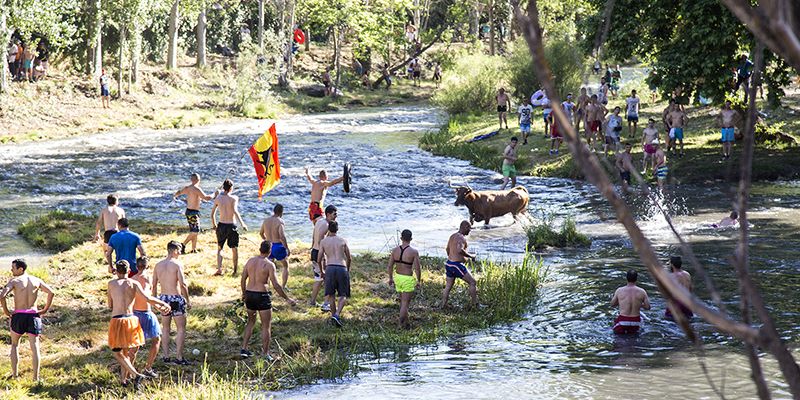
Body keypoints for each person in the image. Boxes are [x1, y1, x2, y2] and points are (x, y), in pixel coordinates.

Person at [107, 260, 170, 388]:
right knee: (126, 352)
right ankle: (123, 381)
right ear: (129, 271)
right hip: (131, 319)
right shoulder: (134, 283)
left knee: (117, 352)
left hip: (117, 319)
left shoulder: (111, 284)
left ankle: (136, 375)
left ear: (116, 271)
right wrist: (163, 303)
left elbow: (110, 305)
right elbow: (148, 298)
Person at [240, 241, 297, 360]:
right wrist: (287, 298)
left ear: (260, 249)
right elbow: (276, 285)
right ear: (270, 251)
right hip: (262, 295)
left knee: (250, 322)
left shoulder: (250, 261)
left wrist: (244, 293)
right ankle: (265, 353)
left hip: (250, 294)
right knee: (266, 326)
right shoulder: (269, 264)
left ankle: (244, 349)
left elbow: (243, 279)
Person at [1, 259, 55, 382]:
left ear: (21, 269)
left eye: (13, 268)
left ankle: (15, 376)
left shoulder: (14, 281)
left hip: (18, 316)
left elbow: (2, 295)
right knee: (35, 347)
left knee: (14, 345)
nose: (11, 270)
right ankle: (36, 378)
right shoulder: (36, 280)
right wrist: (45, 309)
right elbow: (51, 292)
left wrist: (6, 311)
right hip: (33, 315)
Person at [153, 241, 191, 365]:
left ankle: (166, 356)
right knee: (181, 328)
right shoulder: (177, 264)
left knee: (165, 328)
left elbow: (153, 285)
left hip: (163, 298)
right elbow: (183, 284)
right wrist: (187, 300)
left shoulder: (158, 265)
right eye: (179, 250)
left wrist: (155, 301)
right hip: (175, 298)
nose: (180, 253)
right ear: (174, 251)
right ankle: (179, 357)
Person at [317, 221, 353, 327]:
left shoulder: (323, 242)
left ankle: (334, 315)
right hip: (341, 267)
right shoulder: (342, 240)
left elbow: (319, 259)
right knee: (343, 294)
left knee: (331, 294)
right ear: (337, 229)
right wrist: (348, 269)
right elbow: (349, 258)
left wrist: (322, 271)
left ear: (329, 229)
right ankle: (336, 315)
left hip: (330, 267)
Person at [131, 257, 161, 378]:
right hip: (145, 313)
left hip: (134, 313)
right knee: (156, 339)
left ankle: (129, 373)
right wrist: (160, 305)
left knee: (134, 346)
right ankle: (148, 368)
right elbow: (147, 297)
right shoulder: (146, 278)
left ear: (136, 267)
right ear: (147, 266)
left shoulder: (132, 279)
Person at [211, 179, 248, 276]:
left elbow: (212, 214)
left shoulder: (218, 198)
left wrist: (214, 225)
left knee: (220, 248)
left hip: (221, 225)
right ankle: (235, 270)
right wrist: (242, 224)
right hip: (231, 225)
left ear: (223, 187)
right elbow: (235, 211)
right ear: (231, 188)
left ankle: (219, 269)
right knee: (234, 248)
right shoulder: (234, 198)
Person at [174, 173, 217, 253]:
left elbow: (178, 193)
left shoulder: (187, 188)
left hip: (189, 211)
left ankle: (194, 249)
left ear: (191, 180)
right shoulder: (197, 189)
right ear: (198, 180)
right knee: (195, 231)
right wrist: (215, 194)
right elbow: (207, 198)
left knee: (194, 231)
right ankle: (182, 245)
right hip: (193, 213)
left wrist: (177, 198)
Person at [387, 229, 421, 328]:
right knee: (405, 303)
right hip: (407, 279)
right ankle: (400, 324)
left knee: (403, 301)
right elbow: (417, 268)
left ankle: (406, 323)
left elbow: (389, 266)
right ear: (411, 239)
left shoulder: (394, 250)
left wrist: (390, 278)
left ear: (401, 238)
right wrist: (418, 280)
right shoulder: (413, 252)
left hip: (398, 277)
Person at [441, 220, 478, 309]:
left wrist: (452, 258)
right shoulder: (461, 238)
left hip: (449, 264)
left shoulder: (452, 236)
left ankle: (443, 305)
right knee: (473, 282)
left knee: (448, 286)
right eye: (469, 228)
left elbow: (447, 249)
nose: (470, 231)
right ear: (465, 227)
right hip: (456, 265)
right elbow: (459, 250)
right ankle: (476, 305)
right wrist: (471, 256)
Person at [309, 205, 337, 311]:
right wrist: (324, 256)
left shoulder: (319, 221)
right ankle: (326, 304)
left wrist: (312, 246)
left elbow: (314, 236)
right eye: (335, 214)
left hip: (314, 252)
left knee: (318, 278)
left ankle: (312, 301)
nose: (336, 217)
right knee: (327, 279)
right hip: (319, 254)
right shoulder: (326, 225)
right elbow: (321, 239)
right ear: (328, 214)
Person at [259, 203, 291, 291]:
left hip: (269, 245)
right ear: (281, 212)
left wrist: (266, 240)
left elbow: (261, 233)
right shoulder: (280, 221)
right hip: (278, 246)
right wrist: (287, 247)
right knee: (285, 266)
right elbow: (282, 236)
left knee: (269, 267)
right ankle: (283, 286)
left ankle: (267, 286)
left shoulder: (266, 220)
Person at [610, 270, 650, 334]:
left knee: (617, 334)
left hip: (622, 321)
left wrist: (621, 302)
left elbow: (612, 304)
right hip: (636, 321)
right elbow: (648, 307)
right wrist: (639, 304)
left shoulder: (619, 290)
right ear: (636, 279)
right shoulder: (642, 291)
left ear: (626, 278)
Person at [664, 256, 693, 320]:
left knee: (668, 319)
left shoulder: (671, 276)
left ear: (672, 265)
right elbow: (690, 288)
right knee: (689, 320)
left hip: (676, 303)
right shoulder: (687, 274)